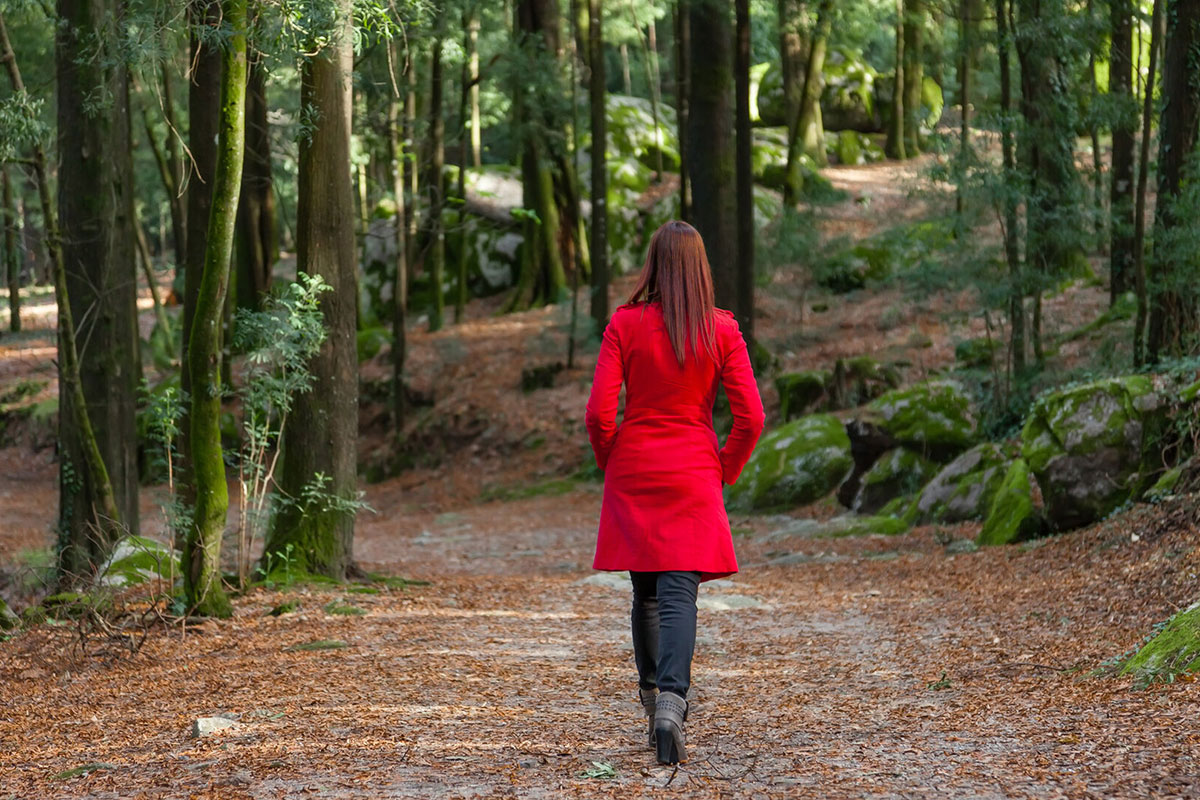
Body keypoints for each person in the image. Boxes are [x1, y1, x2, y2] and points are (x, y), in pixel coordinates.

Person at [584, 220, 765, 766]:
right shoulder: (722, 331)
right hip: (691, 471)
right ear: (701, 267)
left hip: (636, 467)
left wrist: (610, 458)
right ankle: (671, 704)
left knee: (647, 594)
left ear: (654, 265)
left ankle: (649, 698)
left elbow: (597, 413)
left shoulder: (625, 324)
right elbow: (751, 417)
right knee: (680, 594)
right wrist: (723, 468)